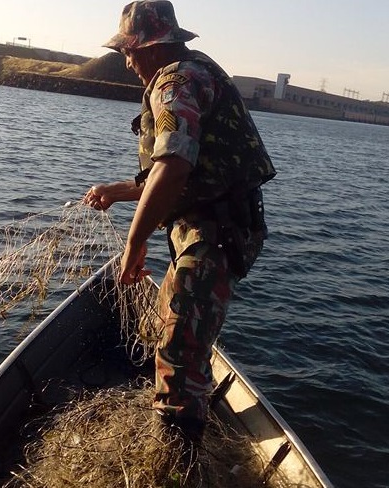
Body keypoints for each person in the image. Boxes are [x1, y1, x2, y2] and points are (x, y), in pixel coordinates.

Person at [84, 0, 276, 443]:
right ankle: (185, 409)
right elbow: (182, 171)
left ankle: (177, 457)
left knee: (179, 354)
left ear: (150, 47)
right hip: (208, 232)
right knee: (167, 328)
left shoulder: (175, 82)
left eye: (128, 52)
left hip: (214, 237)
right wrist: (117, 190)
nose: (127, 62)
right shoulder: (195, 73)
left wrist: (135, 243)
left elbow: (172, 168)